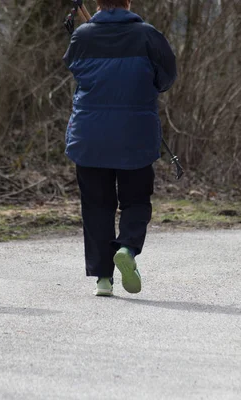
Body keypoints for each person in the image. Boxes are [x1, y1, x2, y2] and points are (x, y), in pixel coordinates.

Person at [63, 0, 177, 296]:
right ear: (128, 2)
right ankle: (126, 246)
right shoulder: (148, 35)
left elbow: (75, 69)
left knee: (97, 206)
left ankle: (103, 278)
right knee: (136, 200)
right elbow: (166, 78)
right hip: (135, 135)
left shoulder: (83, 35)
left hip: (90, 135)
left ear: (98, 2)